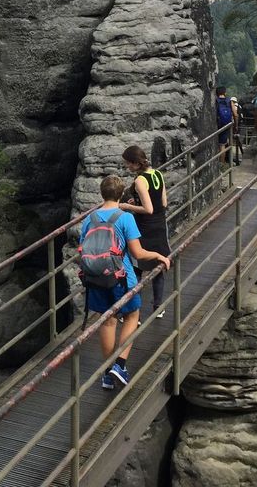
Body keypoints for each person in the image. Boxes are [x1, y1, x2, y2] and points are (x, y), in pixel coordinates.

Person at [80, 174, 170, 390]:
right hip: (122, 278)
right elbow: (137, 253)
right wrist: (158, 256)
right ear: (121, 195)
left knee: (107, 320)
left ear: (102, 193)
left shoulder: (88, 219)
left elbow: (83, 248)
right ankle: (119, 365)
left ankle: (107, 373)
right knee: (131, 316)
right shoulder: (125, 217)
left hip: (95, 278)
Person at [118, 145, 170, 318]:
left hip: (145, 227)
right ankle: (158, 307)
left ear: (135, 163)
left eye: (128, 164)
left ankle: (136, 315)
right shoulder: (157, 174)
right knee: (158, 265)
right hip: (160, 225)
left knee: (137, 268)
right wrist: (138, 199)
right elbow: (162, 203)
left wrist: (128, 206)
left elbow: (148, 209)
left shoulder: (140, 180)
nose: (127, 167)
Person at [215, 87, 237, 165]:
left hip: (218, 124)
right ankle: (222, 163)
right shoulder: (229, 100)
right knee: (223, 144)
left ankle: (220, 162)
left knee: (219, 143)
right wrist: (235, 125)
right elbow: (235, 114)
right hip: (227, 124)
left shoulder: (216, 101)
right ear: (225, 93)